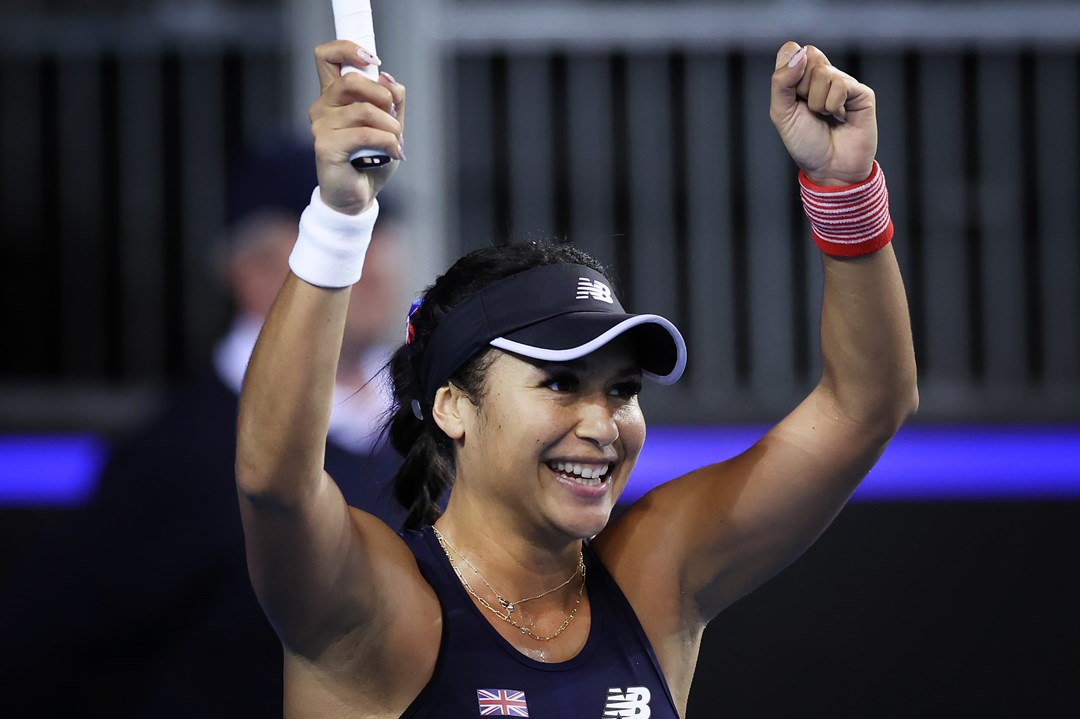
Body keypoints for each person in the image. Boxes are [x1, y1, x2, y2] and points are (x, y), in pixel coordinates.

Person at [235, 39, 917, 717]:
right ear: (452, 406)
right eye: (560, 383)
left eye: (622, 389)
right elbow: (273, 480)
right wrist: (340, 218)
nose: (601, 424)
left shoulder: (654, 575)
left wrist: (844, 190)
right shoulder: (377, 605)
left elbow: (866, 405)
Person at [0, 145, 405, 717]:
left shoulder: (437, 418)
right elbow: (45, 650)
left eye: (376, 228)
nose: (373, 260)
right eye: (338, 231)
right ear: (250, 272)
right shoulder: (174, 458)